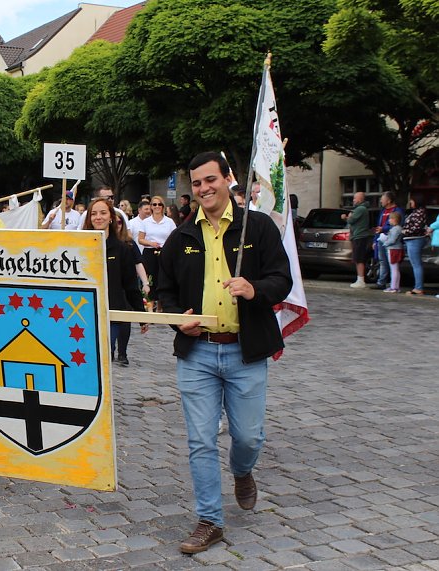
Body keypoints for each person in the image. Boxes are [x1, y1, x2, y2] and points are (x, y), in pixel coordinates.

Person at [157, 152, 292, 554]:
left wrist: (255, 289)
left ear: (227, 179)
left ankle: (243, 470)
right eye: (197, 183)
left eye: (210, 180)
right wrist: (176, 319)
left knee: (248, 437)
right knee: (201, 440)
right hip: (197, 354)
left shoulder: (258, 226)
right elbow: (164, 291)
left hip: (244, 352)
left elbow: (282, 278)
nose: (204, 189)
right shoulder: (181, 235)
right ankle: (209, 521)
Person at [83, 197, 147, 366]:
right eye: (94, 214)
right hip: (84, 313)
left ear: (111, 217)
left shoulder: (122, 249)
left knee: (105, 357)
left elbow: (130, 285)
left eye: (103, 213)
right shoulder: (80, 247)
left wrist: (141, 315)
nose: (98, 217)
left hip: (112, 312)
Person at [138, 195, 177, 310]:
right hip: (150, 253)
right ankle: (149, 307)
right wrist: (151, 243)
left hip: (164, 253)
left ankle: (160, 307)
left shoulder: (169, 222)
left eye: (159, 204)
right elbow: (140, 239)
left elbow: (174, 238)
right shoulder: (146, 222)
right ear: (151, 206)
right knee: (150, 280)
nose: (157, 206)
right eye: (154, 204)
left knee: (162, 280)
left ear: (163, 206)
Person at [373, 191, 405, 289]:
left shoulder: (398, 211)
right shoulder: (383, 211)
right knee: (382, 261)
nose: (380, 201)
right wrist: (375, 240)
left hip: (391, 241)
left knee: (392, 264)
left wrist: (384, 229)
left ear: (389, 200)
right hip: (381, 238)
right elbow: (378, 226)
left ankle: (393, 285)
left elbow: (398, 224)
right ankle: (381, 282)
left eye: (382, 199)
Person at [342, 191, 373, 289]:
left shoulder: (360, 209)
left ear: (360, 199)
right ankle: (359, 279)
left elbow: (351, 220)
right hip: (357, 236)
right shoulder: (360, 209)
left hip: (359, 236)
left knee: (359, 258)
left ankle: (361, 280)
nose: (353, 200)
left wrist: (346, 217)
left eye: (355, 198)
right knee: (357, 258)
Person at [401, 197, 428, 295]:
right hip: (411, 239)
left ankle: (418, 287)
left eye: (412, 201)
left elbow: (417, 227)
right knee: (415, 264)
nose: (410, 202)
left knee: (416, 264)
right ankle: (418, 286)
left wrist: (404, 231)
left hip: (415, 239)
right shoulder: (416, 212)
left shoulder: (419, 212)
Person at [378, 211, 403, 293]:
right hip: (395, 249)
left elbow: (392, 240)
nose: (389, 220)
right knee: (395, 268)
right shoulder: (397, 228)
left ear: (395, 219)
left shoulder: (395, 229)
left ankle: (393, 287)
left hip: (393, 249)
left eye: (390, 218)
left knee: (394, 268)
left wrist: (385, 243)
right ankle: (396, 286)